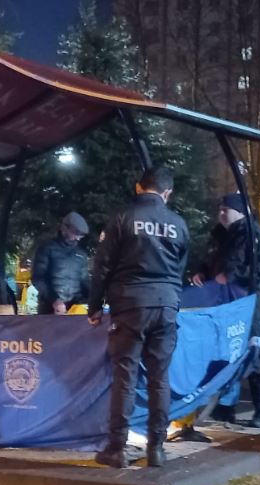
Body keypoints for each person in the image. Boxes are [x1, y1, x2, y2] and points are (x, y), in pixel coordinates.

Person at [88, 166, 189, 468]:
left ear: (138, 187)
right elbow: (180, 268)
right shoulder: (179, 224)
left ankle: (116, 448)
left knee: (125, 376)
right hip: (166, 305)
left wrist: (95, 306)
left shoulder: (122, 218)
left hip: (130, 304)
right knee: (160, 378)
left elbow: (102, 265)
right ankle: (156, 448)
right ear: (167, 193)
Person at [192, 193, 260, 427]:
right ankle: (224, 407)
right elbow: (209, 261)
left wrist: (232, 276)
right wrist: (201, 272)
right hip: (224, 307)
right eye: (219, 209)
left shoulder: (255, 235)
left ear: (240, 211)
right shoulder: (219, 236)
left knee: (254, 353)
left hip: (249, 306)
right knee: (225, 353)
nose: (221, 214)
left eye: (225, 209)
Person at [32, 212, 90, 314]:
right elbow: (38, 278)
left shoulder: (81, 254)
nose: (78, 238)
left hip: (75, 309)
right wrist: (54, 300)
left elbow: (85, 281)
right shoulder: (47, 248)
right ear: (64, 228)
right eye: (76, 233)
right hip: (49, 309)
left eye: (81, 235)